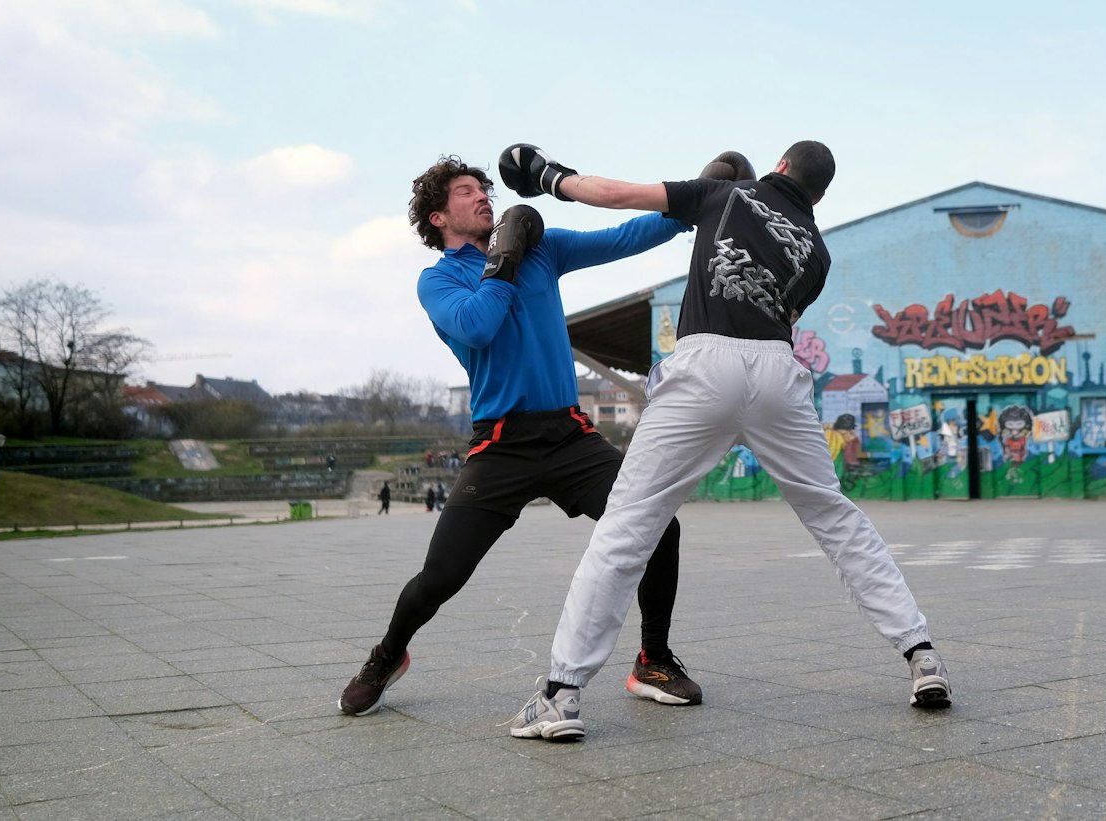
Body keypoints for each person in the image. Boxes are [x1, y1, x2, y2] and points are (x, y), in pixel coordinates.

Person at [497, 141, 950, 743]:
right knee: (834, 516)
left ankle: (561, 695)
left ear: (781, 167)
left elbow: (614, 194)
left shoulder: (726, 193)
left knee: (628, 524)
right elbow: (781, 319)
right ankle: (921, 655)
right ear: (818, 194)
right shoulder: (817, 254)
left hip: (706, 362)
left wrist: (549, 177)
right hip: (777, 373)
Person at [337, 154, 706, 717]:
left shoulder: (546, 249)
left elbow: (627, 234)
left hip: (570, 436)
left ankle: (652, 658)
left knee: (660, 528)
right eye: (466, 191)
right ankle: (388, 654)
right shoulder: (438, 280)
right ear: (438, 217)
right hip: (500, 445)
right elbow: (478, 327)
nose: (483, 195)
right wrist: (503, 260)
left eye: (485, 187)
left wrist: (692, 201)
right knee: (441, 575)